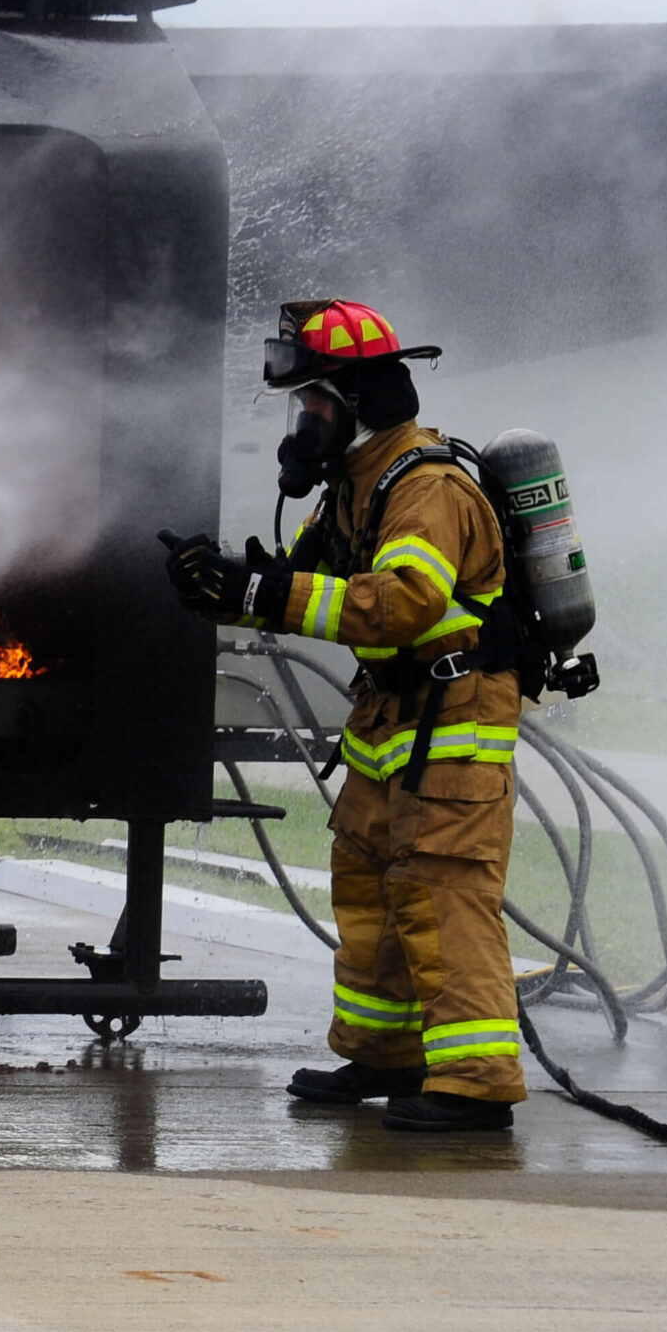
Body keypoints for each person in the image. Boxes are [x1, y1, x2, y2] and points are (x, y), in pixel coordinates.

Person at [165, 299, 525, 1133]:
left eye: (316, 405)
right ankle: (386, 1052)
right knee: (367, 874)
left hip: (455, 712)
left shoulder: (426, 487)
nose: (304, 425)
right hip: (391, 716)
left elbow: (399, 603)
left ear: (359, 402)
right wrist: (219, 582)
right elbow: (302, 588)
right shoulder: (356, 487)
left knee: (442, 884)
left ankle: (476, 1081)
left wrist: (261, 592)